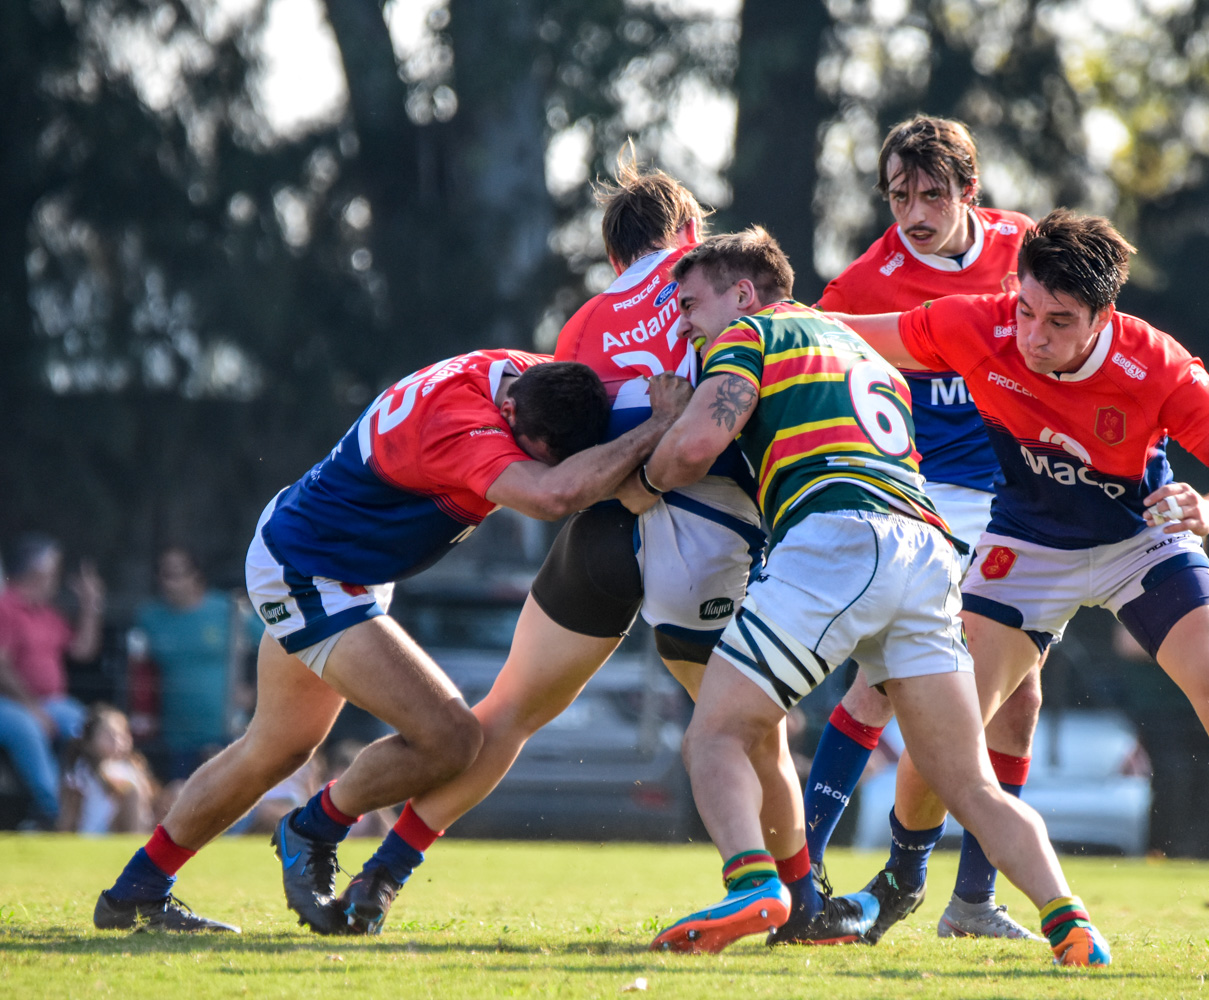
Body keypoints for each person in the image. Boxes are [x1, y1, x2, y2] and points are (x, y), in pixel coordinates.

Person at [337, 155, 870, 945]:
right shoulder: (725, 293)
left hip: (603, 532)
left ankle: (385, 872)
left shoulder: (584, 323)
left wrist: (628, 479)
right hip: (706, 532)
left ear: (615, 254)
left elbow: (566, 448)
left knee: (507, 713)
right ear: (690, 234)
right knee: (749, 728)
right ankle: (799, 896)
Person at [829, 209, 1209, 964]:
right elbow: (853, 333)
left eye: (1059, 322)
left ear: (1105, 317)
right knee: (945, 718)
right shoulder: (978, 323)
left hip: (1139, 539)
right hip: (1027, 541)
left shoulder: (1155, 365)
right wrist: (764, 320)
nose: (1032, 335)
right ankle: (900, 882)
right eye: (1026, 309)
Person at [93, 350, 689, 934]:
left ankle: (135, 892)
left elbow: (567, 461)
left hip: (338, 560)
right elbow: (553, 495)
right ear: (508, 411)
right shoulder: (460, 422)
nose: (545, 466)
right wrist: (661, 423)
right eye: (537, 455)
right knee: (451, 737)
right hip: (309, 570)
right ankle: (313, 827)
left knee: (274, 749)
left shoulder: (535, 382)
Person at [641, 227, 1111, 965]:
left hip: (838, 536)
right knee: (974, 787)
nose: (684, 323)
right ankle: (1071, 922)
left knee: (716, 734)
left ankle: (753, 885)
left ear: (742, 295)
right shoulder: (860, 349)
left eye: (691, 304)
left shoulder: (751, 334)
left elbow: (696, 448)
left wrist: (652, 451)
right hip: (926, 553)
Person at [805, 114, 1043, 942]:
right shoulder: (864, 283)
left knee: (1017, 703)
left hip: (1020, 503)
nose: (913, 213)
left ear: (970, 192)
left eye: (932, 194)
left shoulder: (1031, 252)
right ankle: (805, 875)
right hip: (925, 502)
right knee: (882, 685)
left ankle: (971, 902)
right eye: (899, 194)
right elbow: (809, 356)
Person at [131, 546, 263, 779]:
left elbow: (273, 644)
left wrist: (255, 690)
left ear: (196, 575)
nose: (168, 582)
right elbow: (136, 672)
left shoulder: (228, 609)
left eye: (176, 574)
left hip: (227, 734)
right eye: (163, 575)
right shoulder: (149, 619)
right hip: (174, 740)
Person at [0, 534, 104, 826]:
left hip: (50, 704)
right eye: (54, 572)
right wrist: (32, 707)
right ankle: (56, 813)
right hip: (10, 704)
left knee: (89, 725)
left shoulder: (48, 613)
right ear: (37, 572)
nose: (57, 579)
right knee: (27, 728)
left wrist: (90, 603)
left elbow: (83, 650)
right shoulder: (5, 607)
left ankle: (100, 807)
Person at [59, 705, 159, 835]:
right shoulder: (82, 772)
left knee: (177, 790)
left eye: (121, 735)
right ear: (89, 742)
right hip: (98, 833)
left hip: (136, 826)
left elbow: (149, 803)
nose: (117, 741)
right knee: (131, 792)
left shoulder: (130, 767)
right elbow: (68, 819)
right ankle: (137, 844)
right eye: (109, 736)